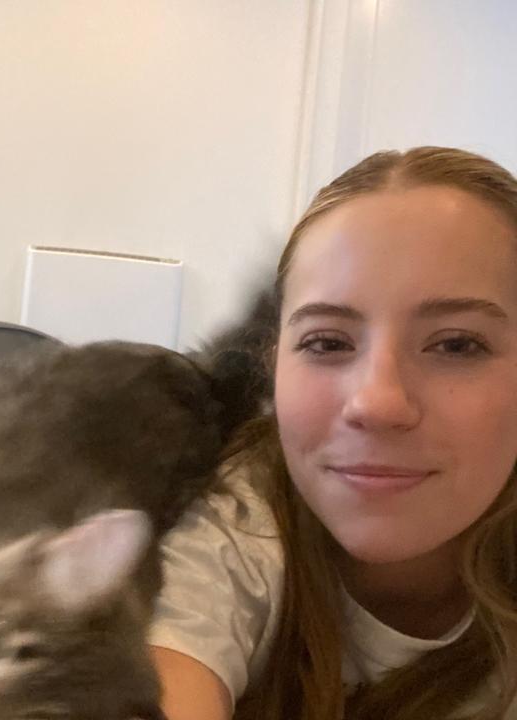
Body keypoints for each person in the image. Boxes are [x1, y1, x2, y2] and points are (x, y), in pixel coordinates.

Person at [147, 146, 517, 720]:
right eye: (327, 342)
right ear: (273, 362)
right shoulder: (230, 525)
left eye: (456, 344)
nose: (377, 402)